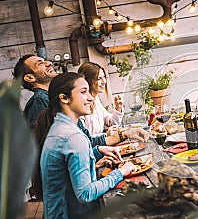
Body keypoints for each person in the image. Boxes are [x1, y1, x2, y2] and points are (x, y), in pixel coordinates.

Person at [37, 72, 136, 218]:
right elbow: (86, 194)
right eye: (83, 92)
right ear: (64, 98)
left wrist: (98, 150)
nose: (90, 98)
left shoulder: (59, 127)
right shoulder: (73, 137)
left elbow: (67, 163)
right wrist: (121, 172)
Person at [78, 62, 123, 136]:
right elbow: (85, 138)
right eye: (99, 78)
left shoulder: (96, 100)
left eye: (104, 77)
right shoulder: (81, 106)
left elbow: (110, 122)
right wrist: (106, 135)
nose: (104, 82)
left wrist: (118, 109)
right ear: (88, 81)